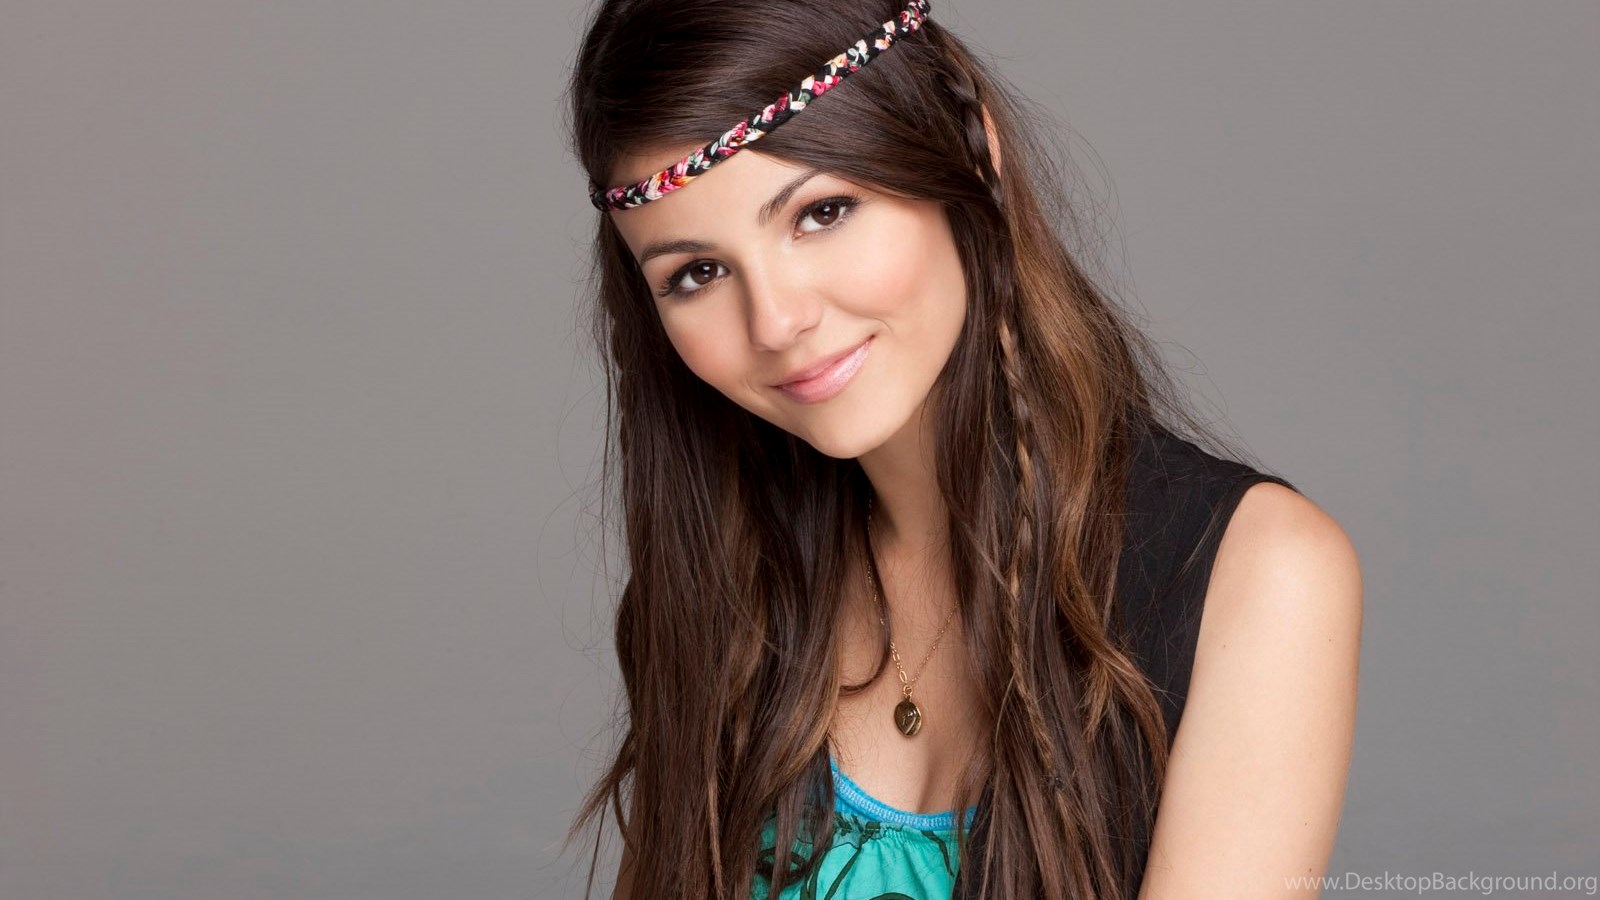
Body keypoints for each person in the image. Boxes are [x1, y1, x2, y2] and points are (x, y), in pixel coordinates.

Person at [560, 1, 1362, 898]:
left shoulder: (1255, 574)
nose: (777, 322)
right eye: (697, 273)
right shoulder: (726, 579)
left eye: (823, 212)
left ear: (972, 152)